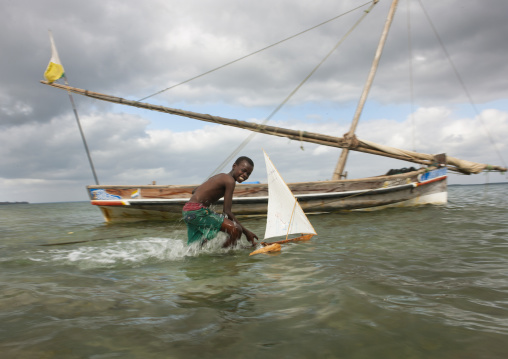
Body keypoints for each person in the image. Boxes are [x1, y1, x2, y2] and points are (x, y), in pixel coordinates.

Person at [182, 156, 258, 247]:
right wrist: (247, 232)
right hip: (198, 211)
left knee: (196, 246)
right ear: (234, 166)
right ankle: (224, 256)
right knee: (236, 229)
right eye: (243, 170)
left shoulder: (219, 176)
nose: (245, 175)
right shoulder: (230, 181)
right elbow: (227, 211)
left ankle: (229, 250)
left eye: (248, 174)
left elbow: (194, 191)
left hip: (187, 211)